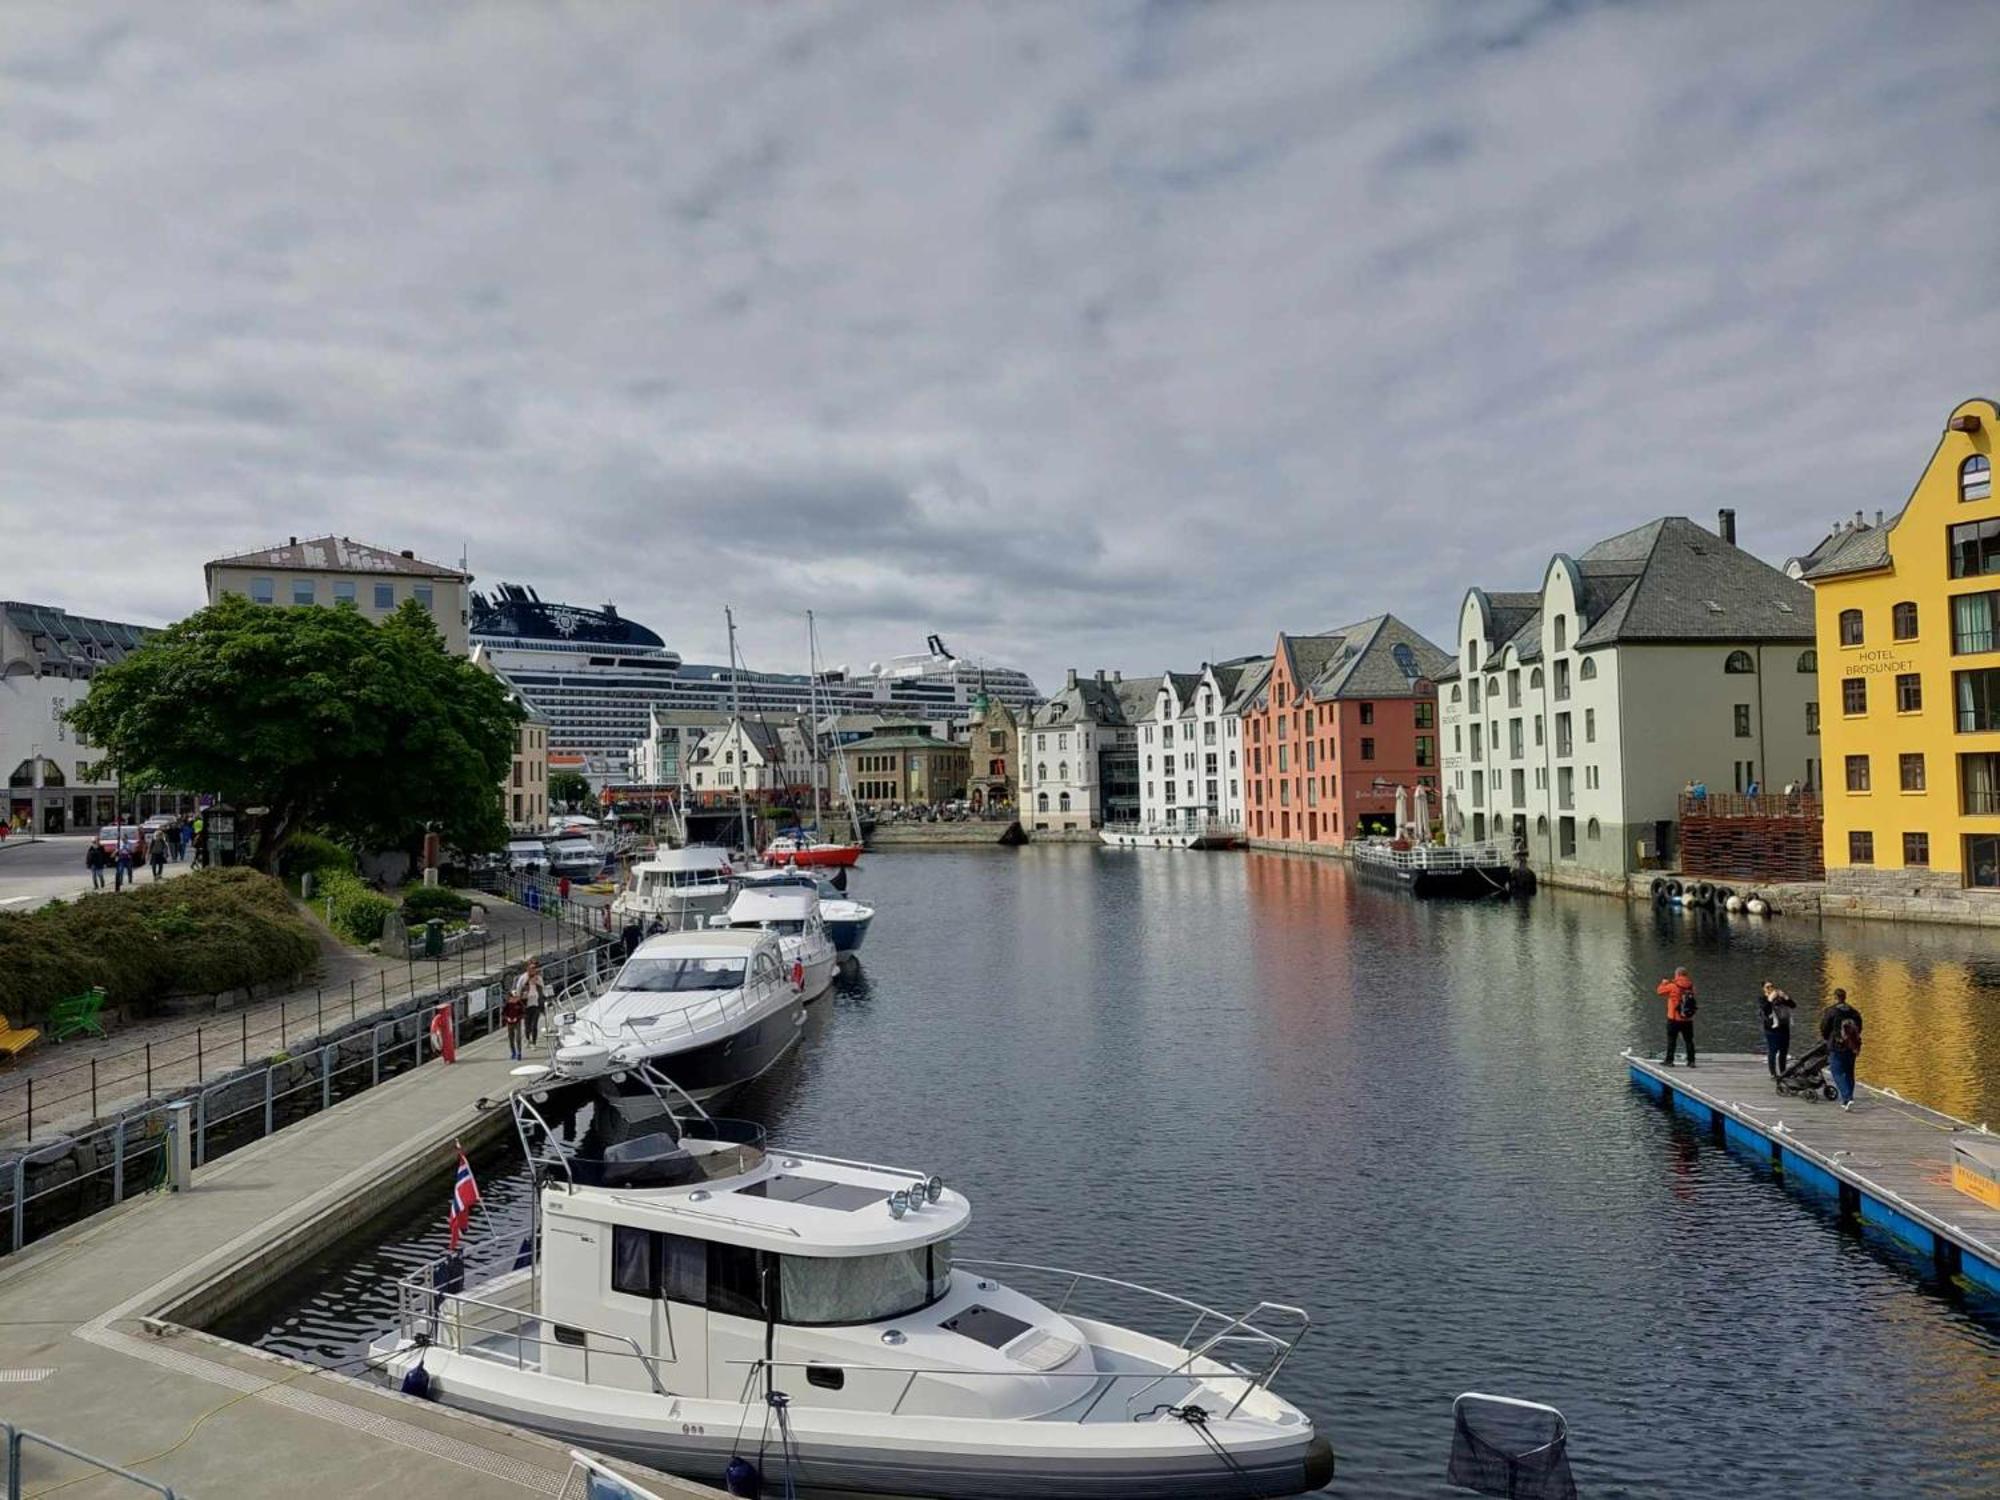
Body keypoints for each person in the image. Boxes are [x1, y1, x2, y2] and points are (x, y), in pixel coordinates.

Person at [1820, 988, 1865, 1110]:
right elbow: (1860, 1027)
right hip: (1852, 1046)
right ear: (1845, 997)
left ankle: (1847, 1098)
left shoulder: (1831, 1011)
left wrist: (1827, 1038)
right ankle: (1849, 1096)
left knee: (1837, 1072)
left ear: (1835, 997)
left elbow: (1824, 1028)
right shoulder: (1854, 1012)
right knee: (1849, 1072)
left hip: (1837, 1045)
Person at [1658, 966, 1697, 1067]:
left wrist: (1664, 983)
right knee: (1689, 1040)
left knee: (1672, 1040)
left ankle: (1669, 1061)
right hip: (1688, 1019)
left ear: (1677, 974)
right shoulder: (1691, 985)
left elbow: (1660, 991)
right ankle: (1691, 1061)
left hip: (1674, 1018)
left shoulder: (1673, 986)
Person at [1758, 980, 1796, 1079]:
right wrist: (1770, 999)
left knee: (1783, 1051)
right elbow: (1765, 1009)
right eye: (1767, 987)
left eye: (1771, 986)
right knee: (1773, 1051)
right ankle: (1773, 1073)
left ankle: (1783, 1072)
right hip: (1771, 1030)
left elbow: (1793, 1005)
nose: (1770, 988)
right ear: (1763, 989)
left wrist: (1786, 997)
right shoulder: (1763, 999)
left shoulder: (1780, 998)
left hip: (1784, 1027)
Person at [515, 959, 546, 1048]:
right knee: (527, 1024)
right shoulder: (523, 978)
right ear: (528, 968)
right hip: (526, 1004)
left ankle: (534, 1042)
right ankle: (528, 1039)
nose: (534, 969)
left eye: (535, 968)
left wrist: (543, 1002)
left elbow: (542, 989)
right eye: (532, 967)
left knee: (534, 1024)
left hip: (536, 1004)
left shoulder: (538, 978)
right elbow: (518, 990)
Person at [501, 982, 526, 1061]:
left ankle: (519, 1053)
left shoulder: (519, 1004)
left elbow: (523, 1013)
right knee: (511, 1038)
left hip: (517, 1022)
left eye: (516, 998)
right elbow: (503, 1014)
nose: (515, 999)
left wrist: (517, 1018)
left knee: (518, 1038)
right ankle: (513, 1052)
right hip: (510, 1023)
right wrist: (507, 1018)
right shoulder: (507, 1005)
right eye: (513, 998)